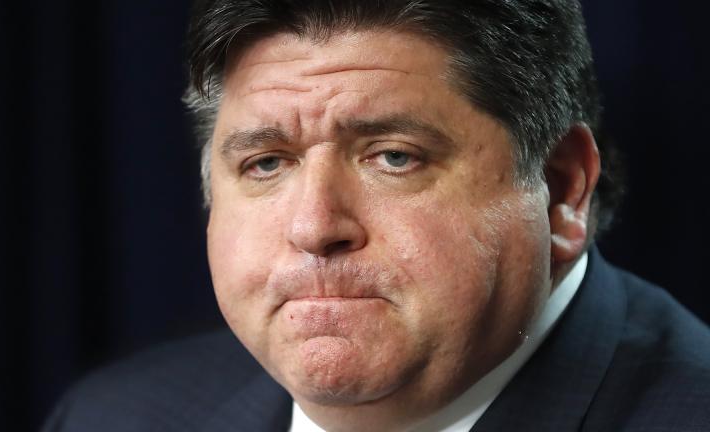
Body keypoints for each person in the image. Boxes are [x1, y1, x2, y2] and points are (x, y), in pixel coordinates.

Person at [43, 1, 710, 431]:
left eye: (393, 157)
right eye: (267, 164)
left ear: (561, 189)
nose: (313, 227)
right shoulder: (114, 416)